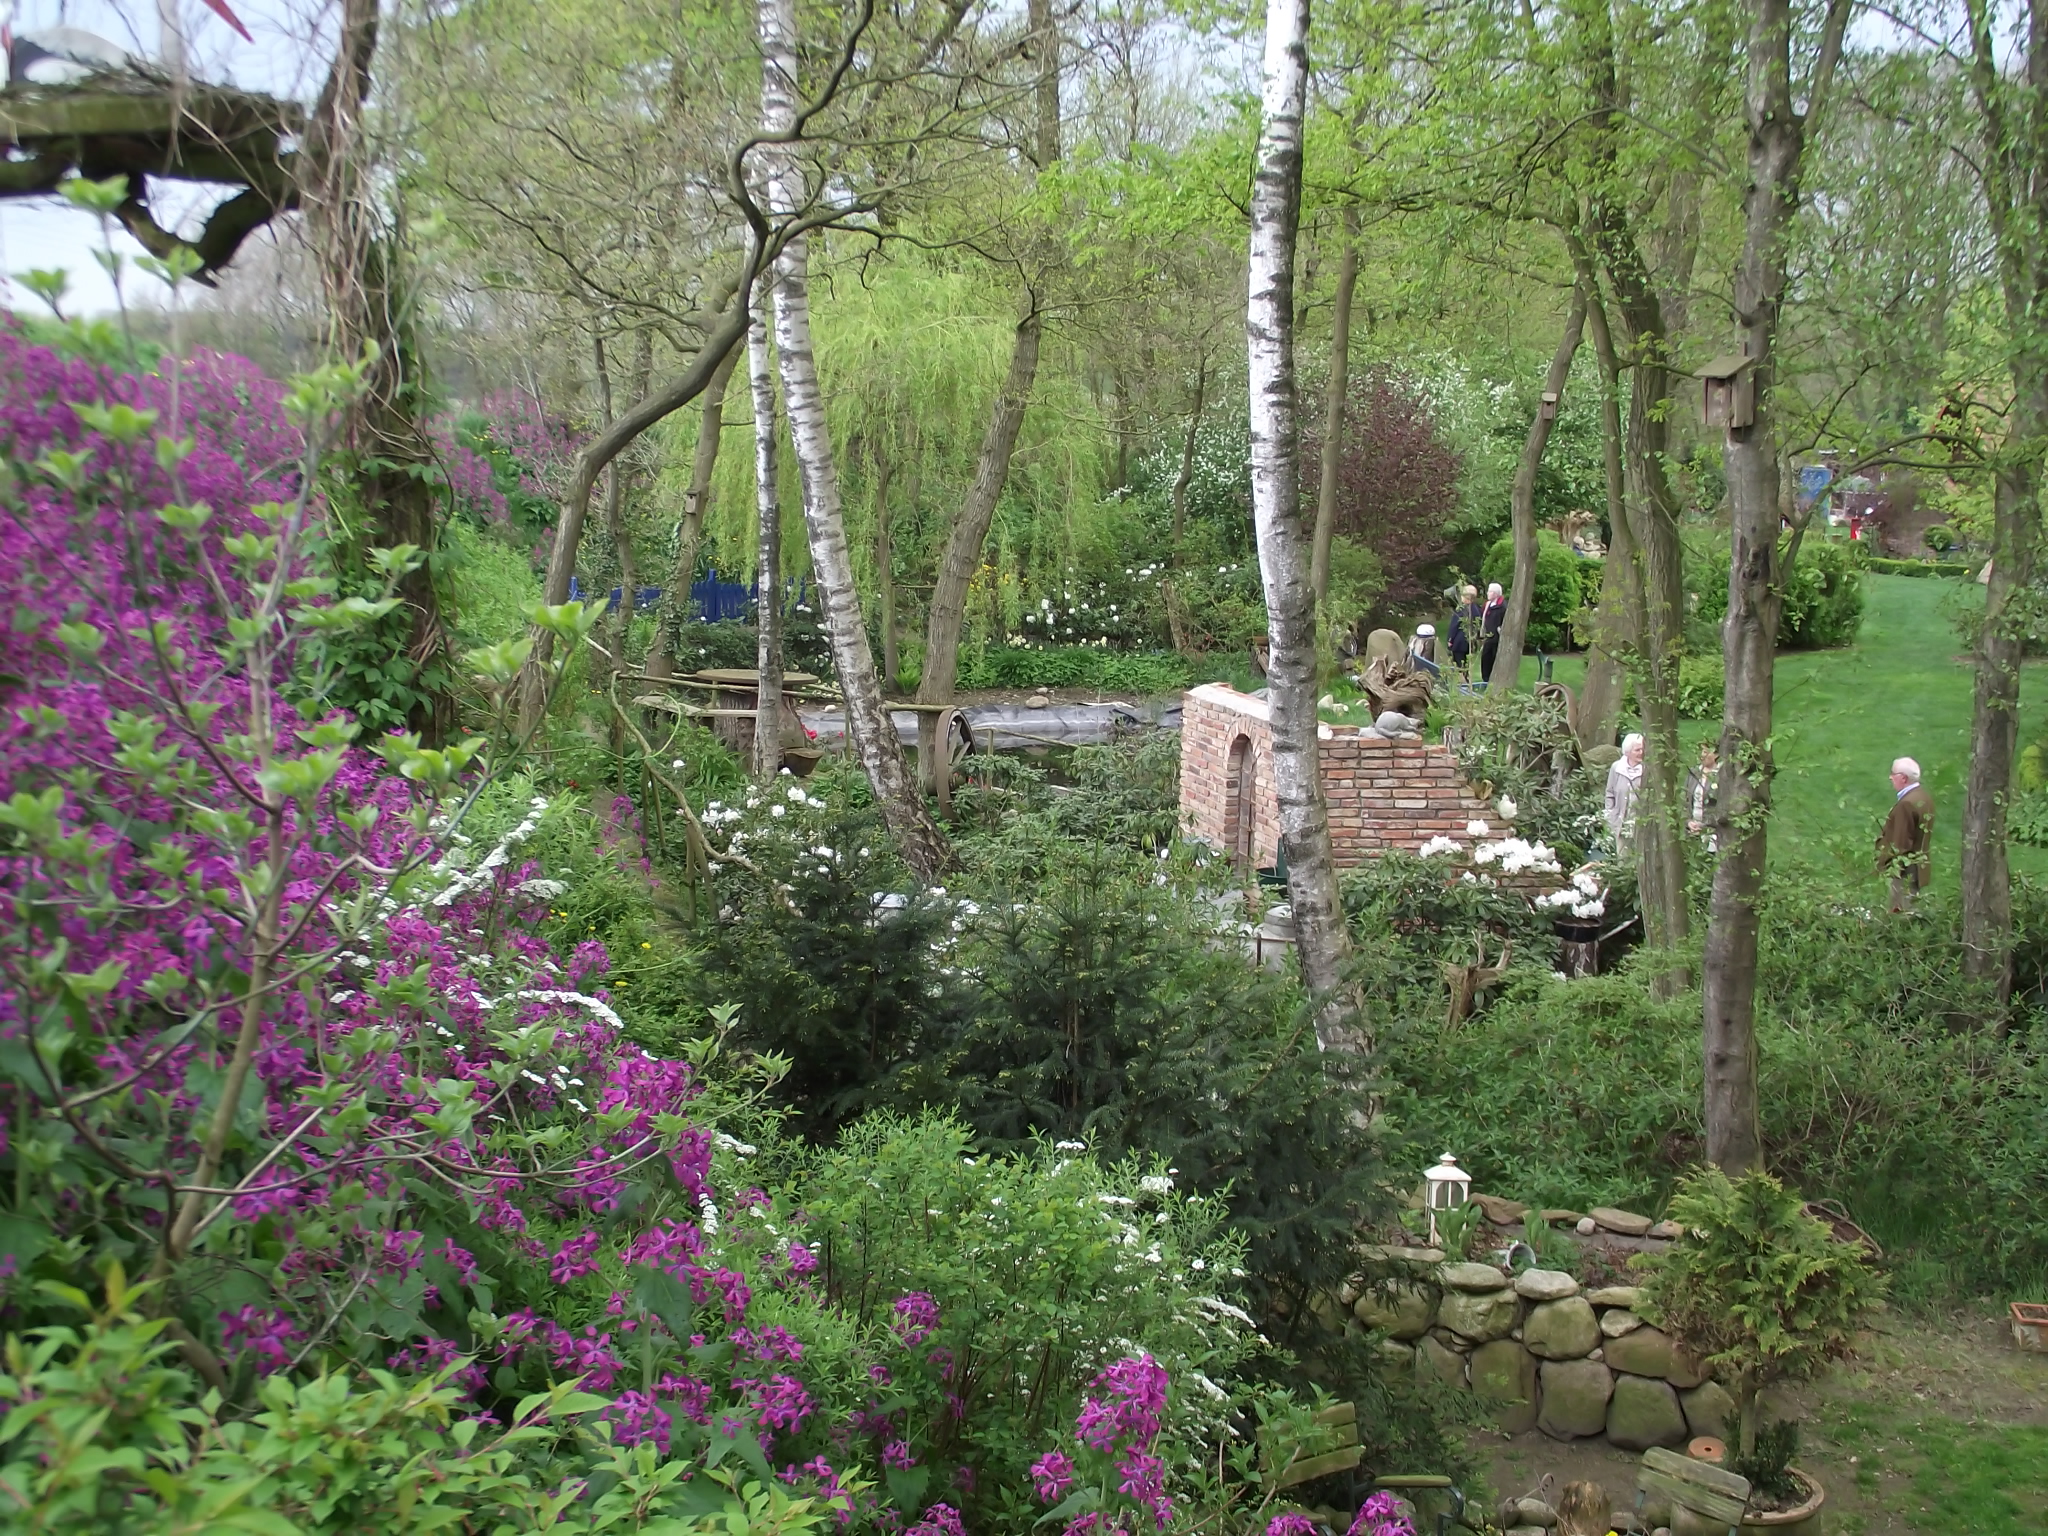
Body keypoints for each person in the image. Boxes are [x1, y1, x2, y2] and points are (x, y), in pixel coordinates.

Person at [1877, 755, 1935, 912]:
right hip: (1918, 869)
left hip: (1903, 873)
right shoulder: (1923, 797)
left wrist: (1885, 864)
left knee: (1899, 914)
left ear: (1902, 778)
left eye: (1893, 774)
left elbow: (1900, 844)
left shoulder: (1906, 804)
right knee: (1910, 912)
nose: (1890, 777)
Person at [1605, 733, 1644, 856]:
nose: (1641, 752)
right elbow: (1609, 793)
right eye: (1637, 750)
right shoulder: (1617, 768)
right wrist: (1610, 815)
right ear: (1628, 752)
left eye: (1643, 749)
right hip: (1620, 824)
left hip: (1640, 826)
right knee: (1622, 859)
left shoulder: (1647, 770)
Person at [1686, 742, 1719, 843]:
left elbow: (1723, 807)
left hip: (1712, 831)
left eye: (1706, 752)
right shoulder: (1694, 772)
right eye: (1702, 751)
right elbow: (1685, 801)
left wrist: (1704, 825)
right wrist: (1688, 822)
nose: (1702, 755)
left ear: (1716, 755)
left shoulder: (1721, 775)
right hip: (1692, 829)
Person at [1448, 584, 1483, 675]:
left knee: (1459, 667)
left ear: (1466, 597)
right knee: (1466, 666)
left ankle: (1462, 684)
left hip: (1459, 642)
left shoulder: (1462, 609)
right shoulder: (1476, 609)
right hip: (1470, 642)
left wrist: (1450, 639)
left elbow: (1454, 626)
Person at [1479, 581, 1507, 685]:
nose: (1487, 593)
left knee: (1494, 657)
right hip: (1488, 637)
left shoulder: (1502, 606)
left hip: (1497, 637)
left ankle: (1494, 680)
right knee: (1485, 658)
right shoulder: (1487, 605)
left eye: (1490, 592)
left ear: (1495, 593)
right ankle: (1485, 679)